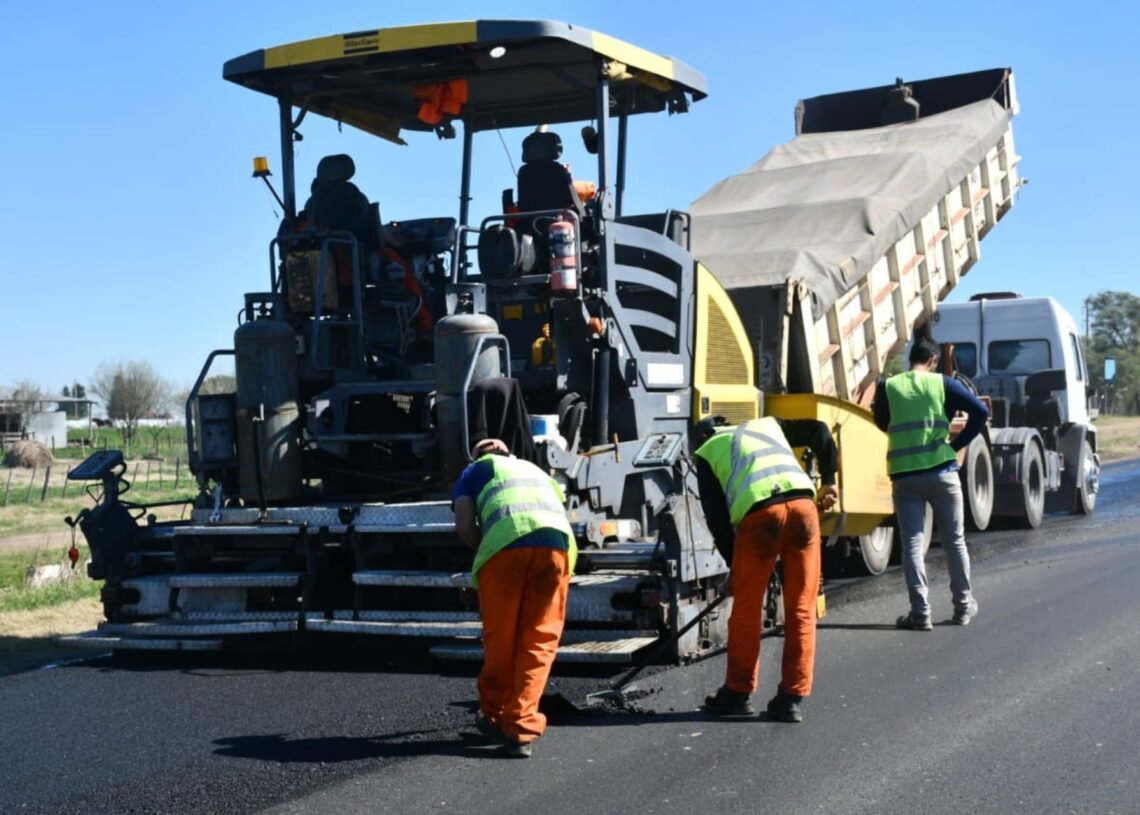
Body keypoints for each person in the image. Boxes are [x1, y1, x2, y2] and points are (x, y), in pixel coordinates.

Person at [694, 414, 839, 723]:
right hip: (804, 509)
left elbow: (717, 519)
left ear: (704, 436)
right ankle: (791, 698)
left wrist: (735, 568)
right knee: (801, 608)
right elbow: (820, 430)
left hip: (761, 516)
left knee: (747, 611)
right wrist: (829, 480)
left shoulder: (707, 451)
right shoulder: (768, 425)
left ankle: (738, 693)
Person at [451, 437, 577, 758]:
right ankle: (521, 727)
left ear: (476, 456)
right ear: (509, 452)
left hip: (505, 550)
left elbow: (464, 526)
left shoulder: (473, 472)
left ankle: (494, 716)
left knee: (501, 639)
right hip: (556, 549)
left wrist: (484, 547)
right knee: (540, 640)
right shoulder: (534, 469)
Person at [872, 338, 989, 631]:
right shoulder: (942, 384)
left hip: (905, 476)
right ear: (934, 360)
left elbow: (882, 422)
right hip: (942, 472)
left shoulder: (888, 387)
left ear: (911, 358)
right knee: (954, 541)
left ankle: (920, 613)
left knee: (913, 543)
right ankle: (963, 607)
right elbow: (980, 412)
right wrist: (957, 444)